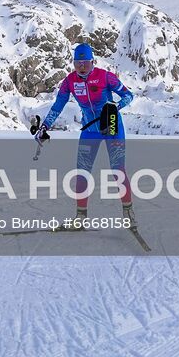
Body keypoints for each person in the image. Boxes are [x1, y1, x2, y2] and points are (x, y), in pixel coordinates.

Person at [38, 43, 136, 225]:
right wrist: (45, 126)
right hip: (90, 131)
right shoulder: (70, 81)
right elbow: (58, 105)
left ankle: (128, 212)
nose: (81, 67)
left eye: (85, 63)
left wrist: (116, 106)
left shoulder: (105, 76)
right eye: (77, 63)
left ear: (93, 62)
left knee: (118, 170)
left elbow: (129, 96)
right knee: (82, 172)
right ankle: (81, 217)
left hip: (112, 128)